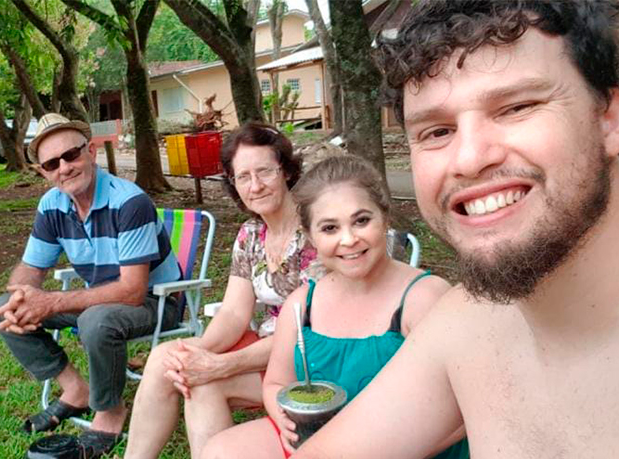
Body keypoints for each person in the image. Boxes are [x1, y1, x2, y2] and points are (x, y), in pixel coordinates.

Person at [293, 1, 619, 458]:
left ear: (610, 117)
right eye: (436, 132)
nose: (468, 160)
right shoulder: (468, 322)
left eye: (517, 106)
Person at [199, 155, 464, 459]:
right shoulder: (302, 305)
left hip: (410, 449)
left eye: (361, 220)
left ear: (385, 219)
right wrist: (285, 420)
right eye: (329, 228)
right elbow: (275, 382)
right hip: (319, 440)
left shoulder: (424, 299)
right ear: (311, 236)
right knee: (221, 451)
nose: (349, 239)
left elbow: (468, 410)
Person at [123, 122, 325, 458]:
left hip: (310, 359)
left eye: (265, 172)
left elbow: (307, 333)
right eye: (243, 176)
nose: (255, 185)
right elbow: (233, 312)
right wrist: (198, 353)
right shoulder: (251, 234)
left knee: (204, 382)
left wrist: (220, 365)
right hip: (266, 352)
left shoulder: (319, 230)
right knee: (167, 358)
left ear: (287, 171)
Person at [0, 113, 182, 457]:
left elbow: (132, 291)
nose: (64, 168)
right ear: (43, 172)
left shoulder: (130, 202)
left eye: (71, 155)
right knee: (2, 310)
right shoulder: (52, 205)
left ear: (90, 151)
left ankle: (109, 411)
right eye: (52, 163)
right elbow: (31, 266)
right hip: (102, 300)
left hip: (157, 301)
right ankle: (75, 390)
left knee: (96, 320)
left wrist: (49, 302)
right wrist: (21, 296)